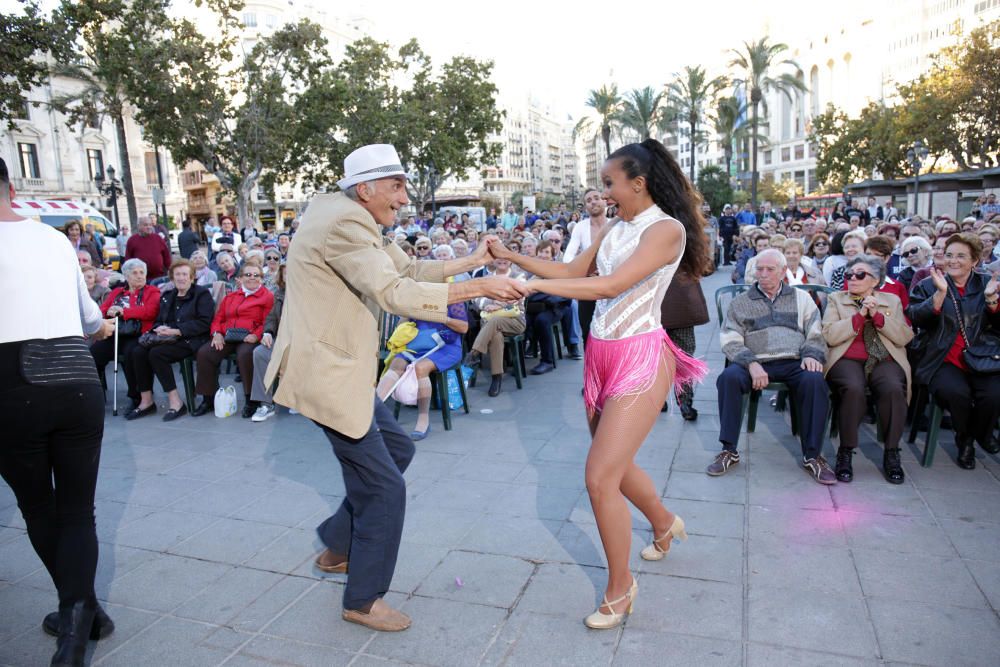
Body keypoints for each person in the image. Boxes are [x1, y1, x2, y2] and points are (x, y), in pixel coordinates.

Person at [262, 144, 525, 632]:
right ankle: (362, 599)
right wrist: (478, 288)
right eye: (397, 186)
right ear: (366, 188)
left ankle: (337, 544)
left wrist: (470, 262)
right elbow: (394, 293)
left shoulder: (347, 214)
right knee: (386, 489)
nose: (405, 198)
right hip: (329, 374)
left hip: (340, 370)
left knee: (397, 448)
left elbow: (405, 271)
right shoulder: (347, 224)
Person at [488, 139, 710, 629]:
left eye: (610, 183)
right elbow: (572, 271)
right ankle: (664, 522)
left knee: (599, 477)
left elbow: (609, 287)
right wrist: (512, 256)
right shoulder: (614, 226)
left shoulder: (665, 230)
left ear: (639, 182)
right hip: (600, 355)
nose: (603, 192)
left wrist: (535, 286)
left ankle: (619, 586)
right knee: (617, 465)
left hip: (641, 357)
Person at [0, 157, 118, 667]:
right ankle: (82, 615)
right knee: (77, 510)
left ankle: (76, 620)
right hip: (75, 374)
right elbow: (91, 317)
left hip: (12, 380)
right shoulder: (52, 238)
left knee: (40, 508)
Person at [712, 249, 833, 483]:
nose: (764, 274)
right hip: (755, 361)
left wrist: (811, 355)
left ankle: (813, 455)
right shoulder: (741, 302)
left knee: (815, 380)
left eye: (770, 269)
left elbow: (816, 333)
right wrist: (751, 363)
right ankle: (729, 450)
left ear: (783, 271)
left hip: (793, 360)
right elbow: (730, 339)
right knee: (728, 378)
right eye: (760, 269)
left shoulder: (801, 298)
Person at [907, 233, 1000, 469]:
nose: (953, 261)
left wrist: (991, 301)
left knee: (993, 394)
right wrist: (939, 295)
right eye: (949, 255)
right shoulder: (928, 284)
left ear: (975, 261)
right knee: (956, 393)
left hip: (982, 356)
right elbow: (915, 317)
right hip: (941, 358)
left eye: (961, 256)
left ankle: (980, 434)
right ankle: (965, 440)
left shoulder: (986, 283)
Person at [823, 255, 913, 484]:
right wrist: (860, 315)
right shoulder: (836, 299)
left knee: (893, 388)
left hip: (884, 358)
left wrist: (877, 316)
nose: (852, 278)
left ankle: (891, 452)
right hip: (847, 357)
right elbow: (830, 336)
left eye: (860, 275)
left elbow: (904, 337)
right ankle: (845, 451)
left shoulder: (891, 300)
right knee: (853, 388)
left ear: (875, 281)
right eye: (849, 275)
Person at [128, 259, 214, 421]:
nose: (181, 278)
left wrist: (177, 330)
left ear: (192, 277)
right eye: (177, 275)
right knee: (138, 352)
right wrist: (159, 328)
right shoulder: (169, 296)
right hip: (168, 338)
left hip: (192, 339)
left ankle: (176, 402)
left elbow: (205, 322)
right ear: (172, 278)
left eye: (184, 274)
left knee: (157, 354)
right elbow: (159, 319)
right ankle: (146, 401)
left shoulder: (201, 294)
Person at [376, 299, 469, 439]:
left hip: (446, 346)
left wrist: (443, 318)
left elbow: (463, 327)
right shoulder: (418, 294)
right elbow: (402, 324)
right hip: (418, 344)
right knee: (396, 364)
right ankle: (373, 413)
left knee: (420, 368)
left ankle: (423, 420)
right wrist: (407, 315)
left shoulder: (453, 297)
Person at [190, 263, 274, 418]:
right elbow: (218, 318)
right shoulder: (231, 297)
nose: (252, 278)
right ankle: (208, 398)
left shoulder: (267, 297)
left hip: (250, 336)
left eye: (256, 275)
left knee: (245, 355)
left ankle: (251, 400)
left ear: (262, 279)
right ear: (240, 278)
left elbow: (268, 321)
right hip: (228, 335)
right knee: (205, 353)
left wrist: (256, 335)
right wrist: (216, 333)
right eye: (247, 275)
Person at [90, 258, 161, 411]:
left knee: (131, 354)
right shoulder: (117, 292)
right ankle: (94, 394)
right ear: (126, 276)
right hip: (116, 333)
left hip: (138, 334)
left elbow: (151, 312)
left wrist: (124, 311)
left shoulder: (152, 291)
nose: (139, 276)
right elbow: (102, 309)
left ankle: (135, 397)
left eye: (142, 272)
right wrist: (108, 312)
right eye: (135, 273)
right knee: (94, 353)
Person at [463, 256, 528, 394]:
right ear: (492, 261)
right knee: (496, 335)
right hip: (490, 320)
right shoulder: (486, 278)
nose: (502, 260)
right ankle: (496, 378)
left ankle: (474, 353)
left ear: (510, 260)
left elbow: (518, 295)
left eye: (505, 258)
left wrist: (498, 304)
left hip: (514, 320)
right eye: (498, 258)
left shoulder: (519, 276)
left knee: (495, 321)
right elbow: (476, 297)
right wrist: (488, 304)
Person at [659, 263, 709, 420]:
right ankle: (684, 402)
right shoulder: (686, 239)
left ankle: (659, 399)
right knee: (683, 356)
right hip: (681, 300)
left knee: (657, 355)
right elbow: (706, 266)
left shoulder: (647, 238)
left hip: (656, 298)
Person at [563, 188, 611, 349]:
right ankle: (592, 372)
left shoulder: (616, 224)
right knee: (588, 334)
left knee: (612, 334)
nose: (593, 202)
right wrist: (586, 269)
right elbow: (567, 257)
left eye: (596, 198)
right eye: (589, 200)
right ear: (585, 207)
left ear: (604, 201)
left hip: (613, 286)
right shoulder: (580, 227)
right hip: (589, 287)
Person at [523, 240, 569, 375]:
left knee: (542, 320)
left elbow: (563, 295)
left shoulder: (559, 270)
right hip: (535, 307)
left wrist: (541, 293)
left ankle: (547, 361)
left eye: (547, 252)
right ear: (537, 253)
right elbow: (526, 293)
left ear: (552, 254)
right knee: (523, 320)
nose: (543, 255)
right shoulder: (531, 271)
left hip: (555, 308)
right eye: (541, 252)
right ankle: (519, 362)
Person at [250, 264, 287, 423]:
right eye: (286, 274)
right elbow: (271, 318)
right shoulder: (279, 294)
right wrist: (267, 332)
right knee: (260, 352)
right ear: (282, 277)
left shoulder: (310, 293)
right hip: (282, 338)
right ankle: (265, 403)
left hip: (303, 340)